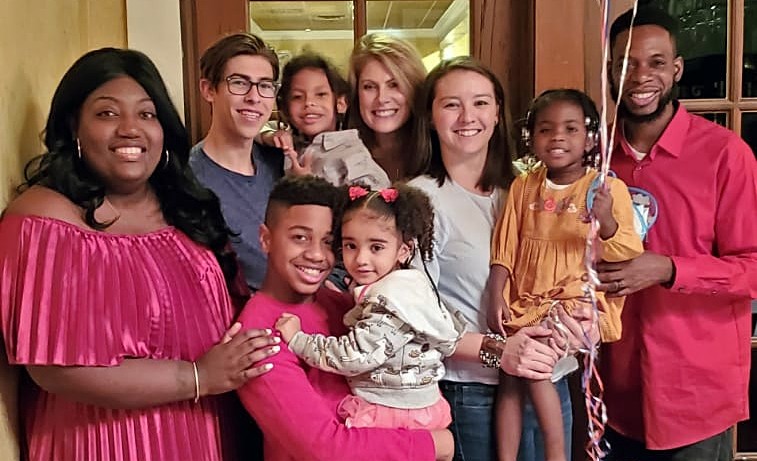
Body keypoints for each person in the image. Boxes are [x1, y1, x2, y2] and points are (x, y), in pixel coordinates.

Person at [0, 48, 280, 461]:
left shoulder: (187, 207)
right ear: (73, 125)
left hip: (206, 431)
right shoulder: (45, 218)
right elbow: (53, 367)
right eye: (108, 114)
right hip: (103, 440)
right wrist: (196, 377)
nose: (131, 129)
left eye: (147, 115)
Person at [235, 175, 562, 461]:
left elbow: (423, 329)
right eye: (300, 238)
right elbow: (326, 448)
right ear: (265, 238)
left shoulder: (338, 298)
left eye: (328, 242)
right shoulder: (260, 335)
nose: (318, 255)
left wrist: (505, 351)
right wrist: (438, 444)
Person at [597, 7, 757, 461]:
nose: (641, 76)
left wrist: (669, 269)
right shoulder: (593, 158)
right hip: (611, 393)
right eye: (626, 64)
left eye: (656, 62)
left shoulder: (727, 155)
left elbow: (753, 268)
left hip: (697, 398)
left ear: (677, 69)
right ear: (611, 71)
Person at [409, 56, 577, 461]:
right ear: (430, 117)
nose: (468, 116)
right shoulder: (419, 200)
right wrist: (498, 350)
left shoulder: (532, 188)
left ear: (498, 113)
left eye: (481, 103)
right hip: (475, 392)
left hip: (552, 379)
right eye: (451, 104)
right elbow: (413, 318)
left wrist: (580, 325)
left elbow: (575, 264)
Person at [486, 89, 644, 461]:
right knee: (510, 375)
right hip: (526, 297)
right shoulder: (525, 186)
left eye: (571, 129)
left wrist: (605, 220)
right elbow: (505, 244)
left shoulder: (604, 187)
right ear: (532, 137)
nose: (557, 137)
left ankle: (557, 456)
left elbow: (625, 251)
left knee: (537, 368)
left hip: (574, 301)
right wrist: (496, 290)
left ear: (590, 138)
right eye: (546, 129)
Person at [275, 183, 466, 431]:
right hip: (423, 406)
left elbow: (354, 356)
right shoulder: (413, 285)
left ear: (404, 250)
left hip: (390, 412)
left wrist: (298, 340)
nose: (361, 259)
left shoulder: (389, 301)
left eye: (376, 247)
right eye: (350, 246)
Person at [190, 32, 284, 291]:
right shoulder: (189, 181)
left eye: (265, 85)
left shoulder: (283, 165)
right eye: (239, 83)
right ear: (209, 90)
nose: (254, 97)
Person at [273, 52, 390, 188]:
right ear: (286, 108)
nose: (309, 102)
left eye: (321, 94)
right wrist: (269, 135)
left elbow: (374, 205)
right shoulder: (292, 146)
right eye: (297, 96)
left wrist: (307, 186)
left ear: (341, 103)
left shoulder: (352, 155)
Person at [349, 33, 427, 181]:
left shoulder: (440, 154)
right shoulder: (343, 157)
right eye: (369, 86)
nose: (382, 99)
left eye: (394, 84)